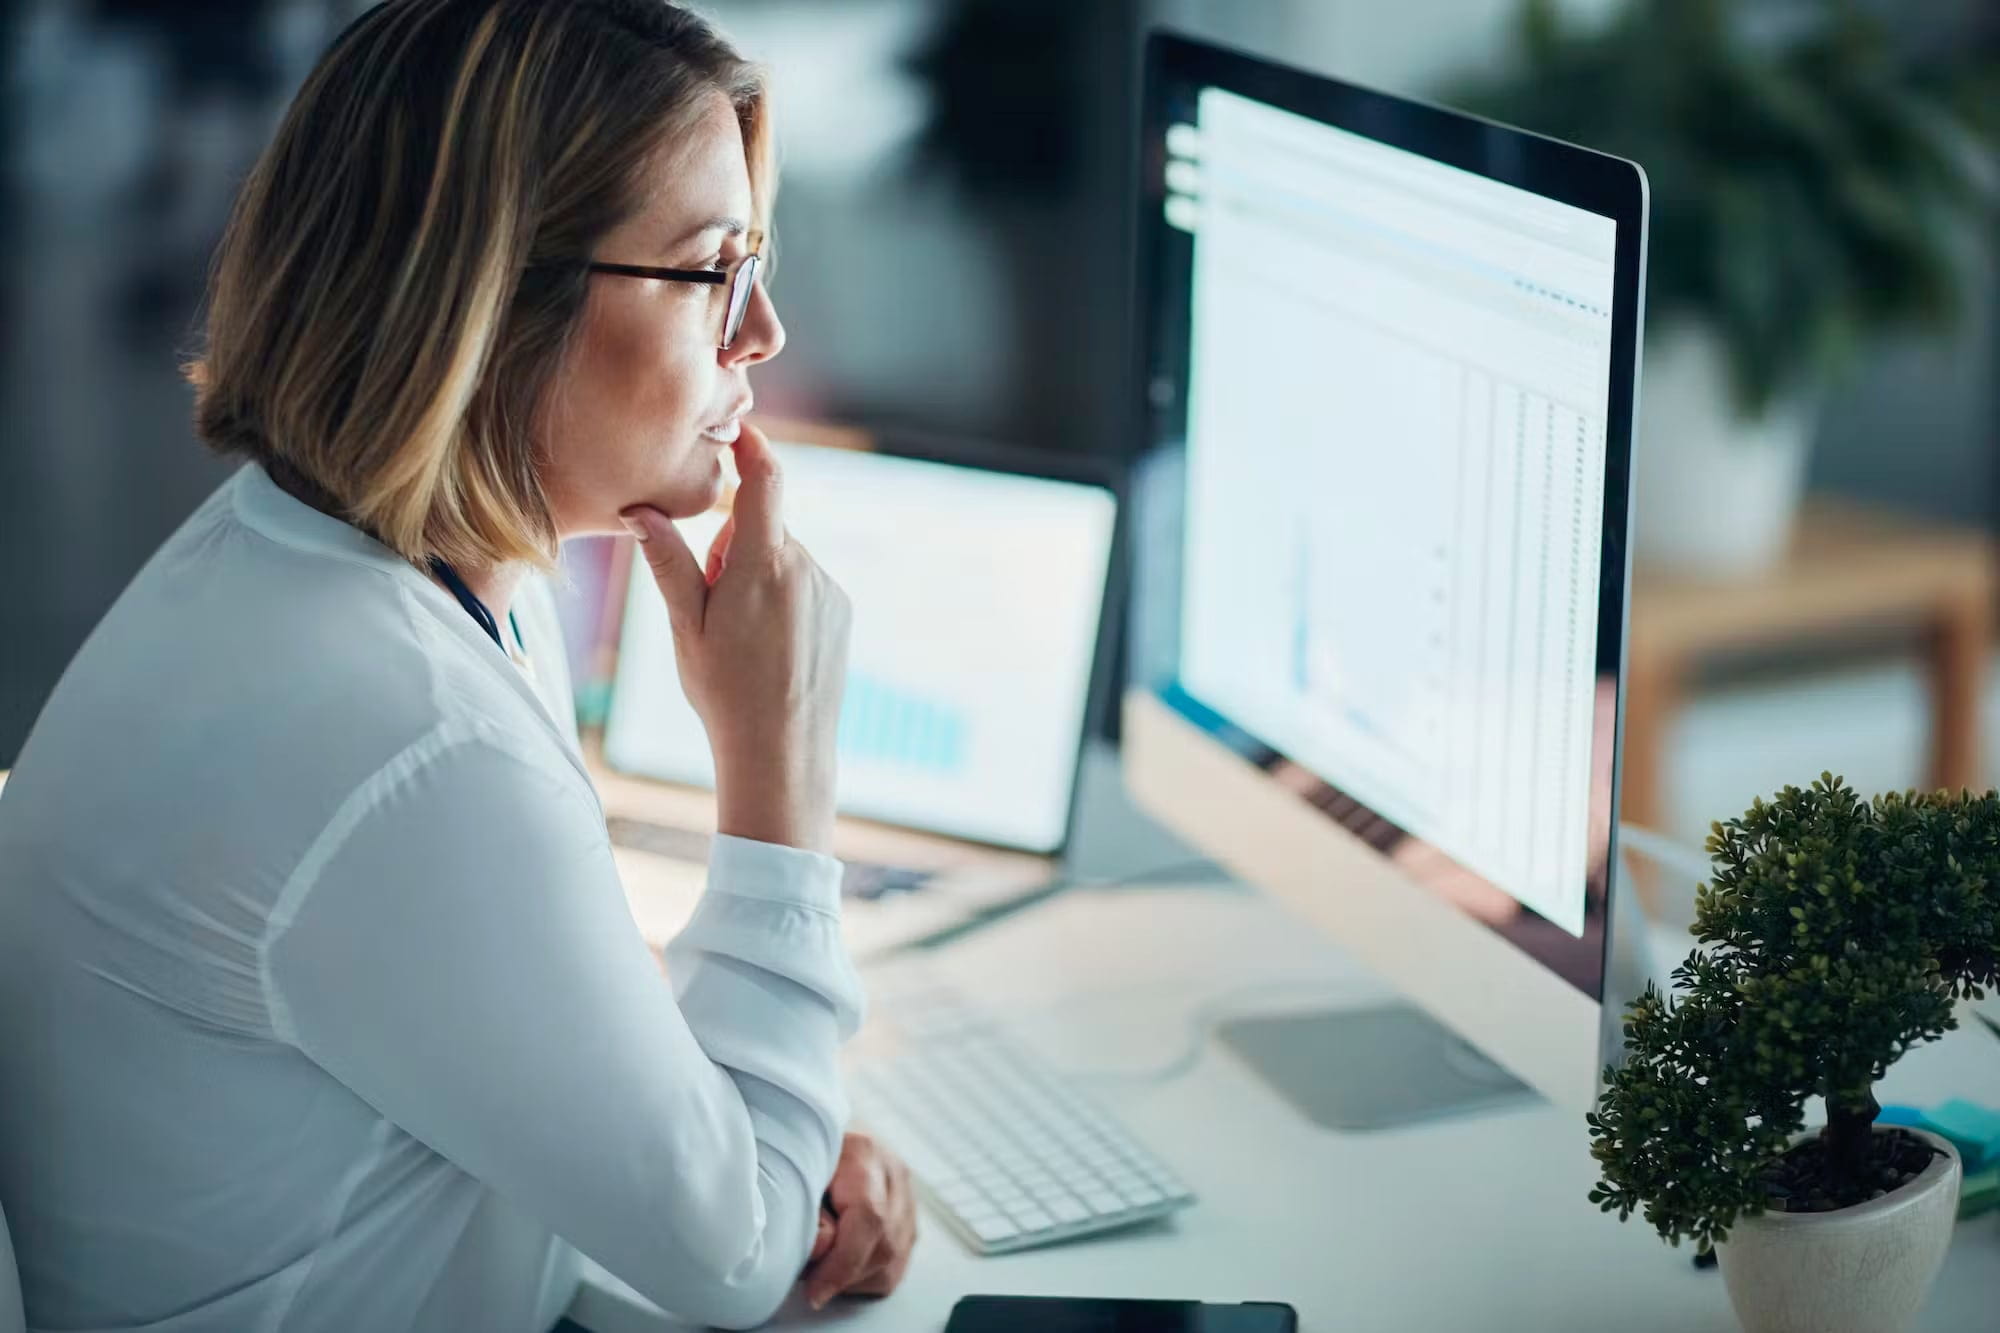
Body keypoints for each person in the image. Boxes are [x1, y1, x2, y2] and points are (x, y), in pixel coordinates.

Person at [0, 2, 917, 1328]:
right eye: (713, 268)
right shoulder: (404, 733)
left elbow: (512, 1017)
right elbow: (744, 1263)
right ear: (495, 303)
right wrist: (778, 770)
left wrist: (756, 1122)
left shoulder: (335, 557)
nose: (761, 331)